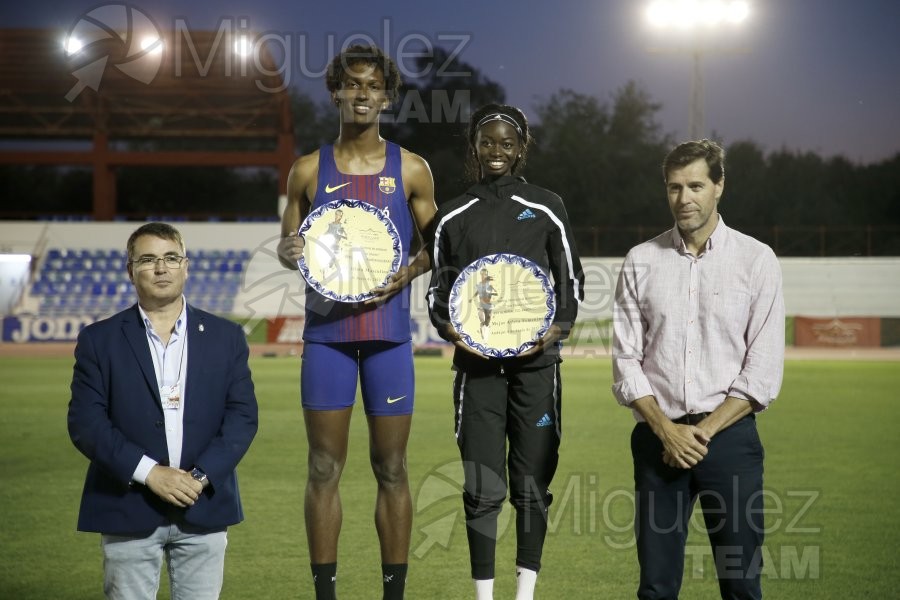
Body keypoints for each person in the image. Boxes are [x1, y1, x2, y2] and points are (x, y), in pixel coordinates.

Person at [276, 44, 437, 600]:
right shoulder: (306, 169)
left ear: (387, 97)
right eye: (352, 84)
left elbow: (438, 245)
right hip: (328, 336)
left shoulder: (410, 168)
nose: (362, 94)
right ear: (336, 92)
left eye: (373, 86)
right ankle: (326, 594)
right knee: (323, 466)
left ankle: (393, 594)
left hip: (389, 337)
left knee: (391, 467)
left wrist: (408, 272)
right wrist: (290, 248)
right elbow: (286, 244)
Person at [611, 139, 785, 599]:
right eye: (673, 187)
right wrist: (666, 431)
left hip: (729, 443)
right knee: (656, 587)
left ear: (719, 186)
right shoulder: (641, 260)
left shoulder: (756, 260)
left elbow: (762, 372)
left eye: (695, 185)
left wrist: (700, 433)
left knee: (741, 584)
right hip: (657, 443)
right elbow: (626, 361)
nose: (684, 198)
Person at [426, 103, 584, 600]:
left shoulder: (546, 206)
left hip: (537, 366)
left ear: (521, 149)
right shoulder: (453, 214)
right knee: (481, 485)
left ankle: (525, 593)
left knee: (532, 482)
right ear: (474, 146)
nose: (497, 151)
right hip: (477, 370)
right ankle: (484, 595)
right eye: (487, 141)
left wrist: (555, 331)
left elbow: (570, 282)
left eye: (506, 143)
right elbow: (438, 293)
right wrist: (451, 329)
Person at [67, 222, 259, 600]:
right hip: (127, 507)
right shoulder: (99, 339)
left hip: (203, 505)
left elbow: (241, 418)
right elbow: (86, 423)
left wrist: (199, 478)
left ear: (186, 266)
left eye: (171, 258)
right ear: (130, 269)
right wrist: (150, 473)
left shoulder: (227, 336)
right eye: (148, 259)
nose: (161, 268)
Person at [471, 268, 498, 338]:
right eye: (482, 274)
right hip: (481, 305)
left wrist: (491, 293)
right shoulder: (479, 284)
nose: (484, 276)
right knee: (482, 320)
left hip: (488, 304)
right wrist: (472, 298)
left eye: (485, 274)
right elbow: (477, 293)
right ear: (480, 275)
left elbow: (496, 293)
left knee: (487, 321)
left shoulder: (490, 285)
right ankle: (484, 338)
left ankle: (486, 336)